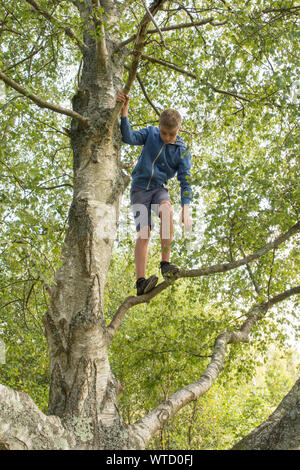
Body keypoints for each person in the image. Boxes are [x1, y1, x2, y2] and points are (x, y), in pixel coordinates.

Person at [117, 91, 193, 296]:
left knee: (167, 212)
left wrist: (186, 207)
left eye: (172, 134)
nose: (167, 138)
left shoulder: (182, 150)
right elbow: (128, 137)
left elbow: (185, 180)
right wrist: (124, 113)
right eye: (163, 133)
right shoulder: (150, 133)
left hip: (160, 189)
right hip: (140, 190)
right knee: (144, 233)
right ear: (159, 127)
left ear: (178, 130)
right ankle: (141, 281)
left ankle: (165, 263)